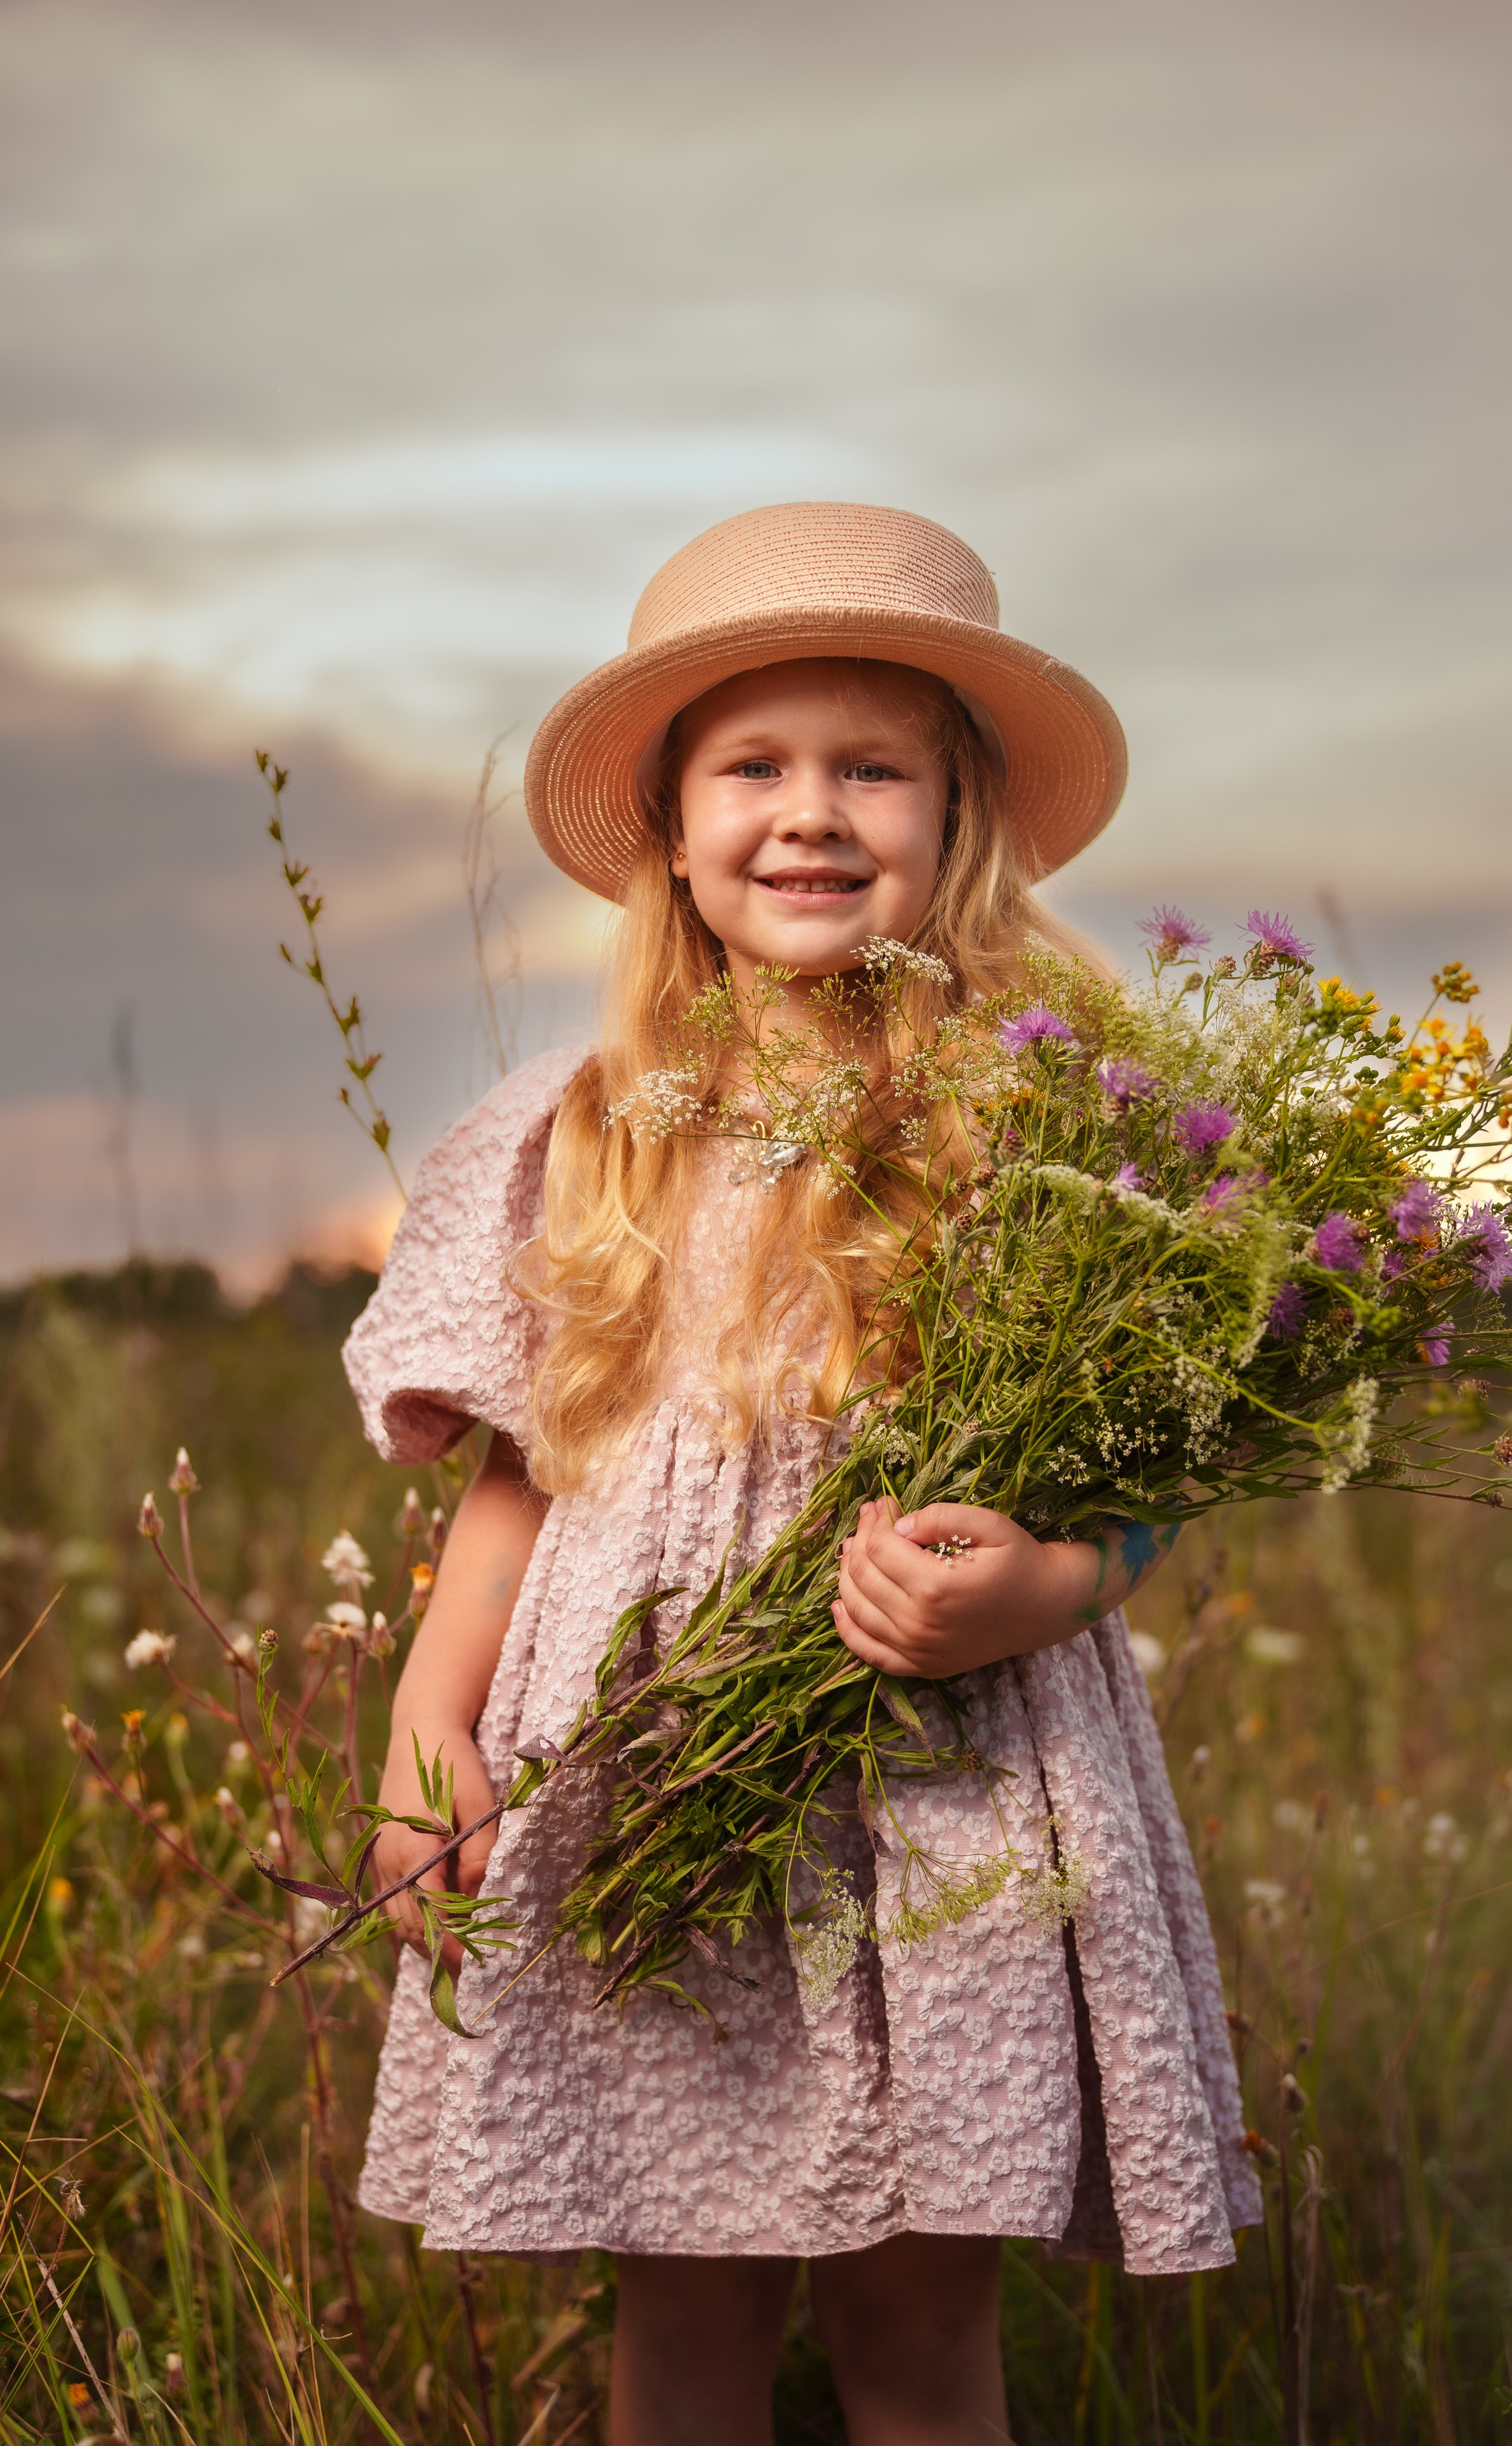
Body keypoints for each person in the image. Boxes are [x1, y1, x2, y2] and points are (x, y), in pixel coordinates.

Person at [344, 502, 1260, 2446]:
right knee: (681, 2321)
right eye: (753, 767)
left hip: (955, 1777)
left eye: (874, 770)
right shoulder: (573, 1131)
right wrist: (435, 1729)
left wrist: (1051, 1586)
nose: (812, 813)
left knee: (923, 2339)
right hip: (649, 1760)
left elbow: (1152, 1466)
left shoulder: (1051, 1118)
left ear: (959, 816)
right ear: (673, 827)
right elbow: (523, 1479)